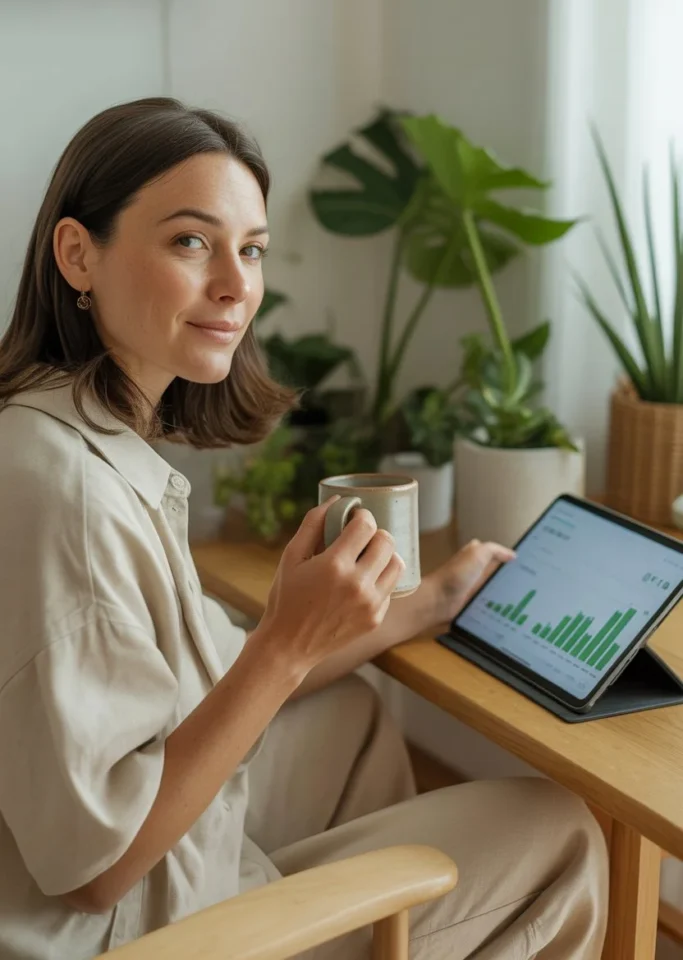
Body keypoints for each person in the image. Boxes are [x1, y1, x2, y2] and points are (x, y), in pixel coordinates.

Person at [0, 97, 608, 960]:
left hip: (119, 883)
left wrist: (430, 599)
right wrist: (285, 643)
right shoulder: (69, 497)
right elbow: (94, 871)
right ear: (77, 254)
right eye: (191, 241)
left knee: (346, 720)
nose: (235, 284)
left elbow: (217, 675)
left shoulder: (60, 434)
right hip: (117, 934)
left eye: (250, 250)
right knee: (557, 828)